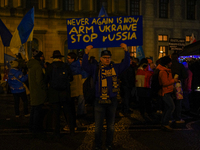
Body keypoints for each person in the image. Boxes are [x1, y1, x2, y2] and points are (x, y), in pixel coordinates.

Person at [82, 43, 130, 150]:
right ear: (101, 59)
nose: (107, 59)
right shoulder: (95, 69)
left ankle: (108, 144)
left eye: (108, 58)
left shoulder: (116, 67)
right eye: (105, 58)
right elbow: (84, 66)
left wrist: (126, 51)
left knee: (111, 126)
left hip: (112, 100)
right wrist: (86, 52)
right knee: (98, 126)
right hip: (99, 100)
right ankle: (98, 145)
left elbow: (126, 64)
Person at [44, 50, 74, 137]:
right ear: (60, 57)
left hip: (54, 93)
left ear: (54, 58)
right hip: (65, 93)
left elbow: (46, 80)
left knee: (56, 113)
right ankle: (71, 130)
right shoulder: (66, 66)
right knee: (68, 112)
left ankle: (56, 131)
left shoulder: (50, 67)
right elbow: (71, 78)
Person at [27, 48, 47, 134]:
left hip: (33, 90)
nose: (43, 58)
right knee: (37, 110)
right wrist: (44, 87)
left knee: (33, 109)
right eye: (42, 56)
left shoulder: (31, 65)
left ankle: (31, 126)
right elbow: (39, 80)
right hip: (38, 91)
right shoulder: (37, 66)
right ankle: (36, 128)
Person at [157, 56, 179, 131]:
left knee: (167, 108)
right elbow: (165, 83)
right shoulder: (163, 71)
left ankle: (163, 123)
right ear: (167, 63)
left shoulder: (166, 70)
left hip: (167, 91)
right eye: (170, 62)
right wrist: (174, 80)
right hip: (165, 92)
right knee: (171, 107)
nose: (171, 63)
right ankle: (165, 123)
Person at [171, 53, 188, 123]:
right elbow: (185, 75)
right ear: (177, 58)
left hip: (169, 84)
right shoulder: (180, 65)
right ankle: (177, 117)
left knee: (171, 101)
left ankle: (170, 117)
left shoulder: (169, 65)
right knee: (178, 101)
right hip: (178, 84)